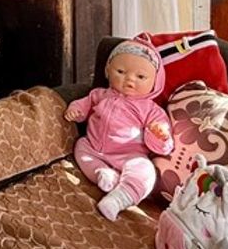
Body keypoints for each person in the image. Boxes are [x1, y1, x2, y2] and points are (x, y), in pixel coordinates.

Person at [64, 40, 173, 221]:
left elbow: (163, 145)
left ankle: (119, 199)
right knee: (80, 146)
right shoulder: (99, 94)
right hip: (93, 148)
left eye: (140, 77)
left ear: (155, 82)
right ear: (108, 70)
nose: (129, 79)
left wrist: (160, 135)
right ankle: (102, 174)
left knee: (146, 171)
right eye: (121, 72)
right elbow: (84, 104)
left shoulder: (150, 109)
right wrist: (76, 110)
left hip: (128, 156)